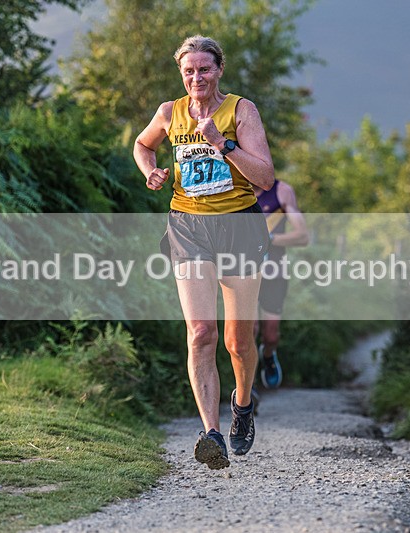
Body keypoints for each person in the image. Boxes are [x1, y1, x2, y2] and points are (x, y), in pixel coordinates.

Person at [133, 35, 275, 469]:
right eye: (189, 70)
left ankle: (243, 405)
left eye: (205, 69)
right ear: (182, 73)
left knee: (237, 341)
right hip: (188, 227)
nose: (197, 77)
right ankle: (211, 433)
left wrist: (222, 143)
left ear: (219, 70)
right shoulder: (169, 112)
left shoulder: (241, 111)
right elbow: (142, 144)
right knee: (200, 333)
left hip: (239, 227)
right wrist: (150, 171)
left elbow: (265, 178)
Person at [254, 179, 309, 389]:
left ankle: (268, 355)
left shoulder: (282, 191)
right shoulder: (233, 188)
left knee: (270, 335)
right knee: (249, 329)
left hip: (275, 272)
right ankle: (247, 384)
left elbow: (302, 236)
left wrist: (268, 239)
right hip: (244, 271)